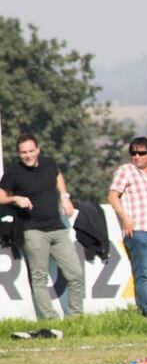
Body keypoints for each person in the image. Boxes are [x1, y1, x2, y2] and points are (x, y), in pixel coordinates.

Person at [0, 134, 84, 319]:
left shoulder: (49, 164)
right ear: (18, 153)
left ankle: (76, 319)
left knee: (76, 274)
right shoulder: (14, 173)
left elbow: (58, 176)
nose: (28, 155)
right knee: (39, 279)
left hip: (58, 228)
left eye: (31, 151)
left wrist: (64, 196)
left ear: (38, 150)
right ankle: (51, 321)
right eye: (23, 152)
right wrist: (15, 198)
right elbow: (1, 196)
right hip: (33, 230)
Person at [108, 137, 147, 322]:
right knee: (144, 274)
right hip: (137, 229)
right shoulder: (125, 171)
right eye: (133, 153)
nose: (136, 156)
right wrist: (125, 219)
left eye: (141, 153)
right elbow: (113, 196)